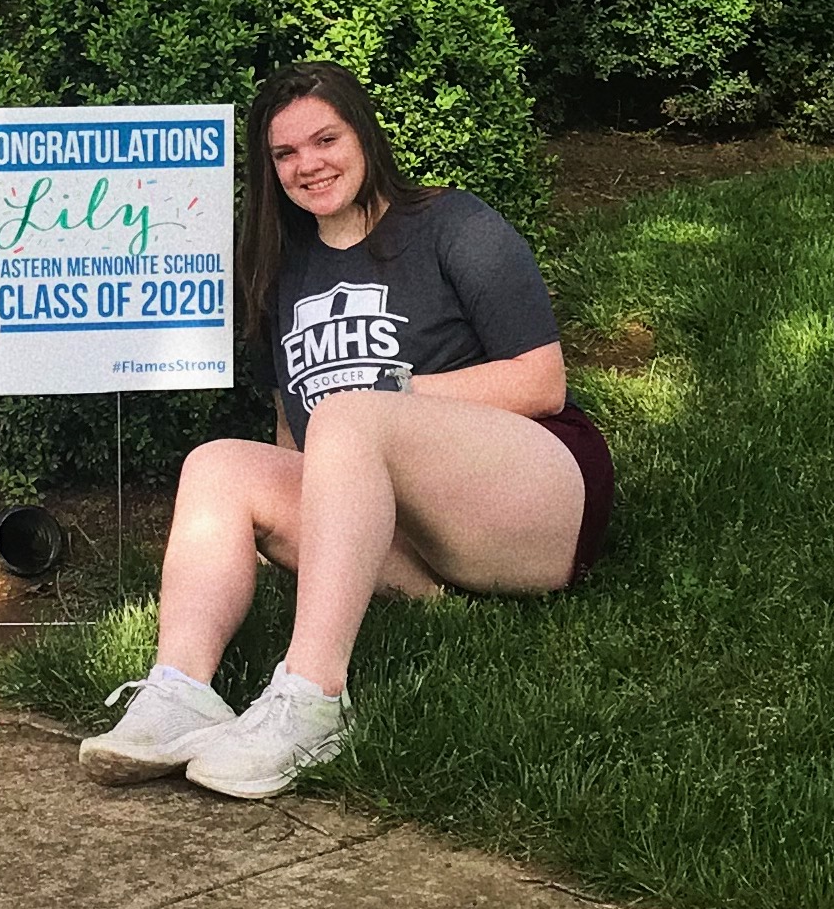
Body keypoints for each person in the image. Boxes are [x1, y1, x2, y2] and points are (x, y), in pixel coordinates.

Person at [81, 59, 613, 802]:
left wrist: (387, 394)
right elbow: (292, 423)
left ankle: (312, 698)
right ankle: (179, 692)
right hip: (407, 540)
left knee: (348, 410)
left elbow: (540, 382)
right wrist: (282, 520)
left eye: (324, 140)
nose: (308, 165)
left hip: (533, 499)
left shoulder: (452, 224)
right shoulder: (282, 268)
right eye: (285, 153)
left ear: (362, 134)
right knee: (216, 463)